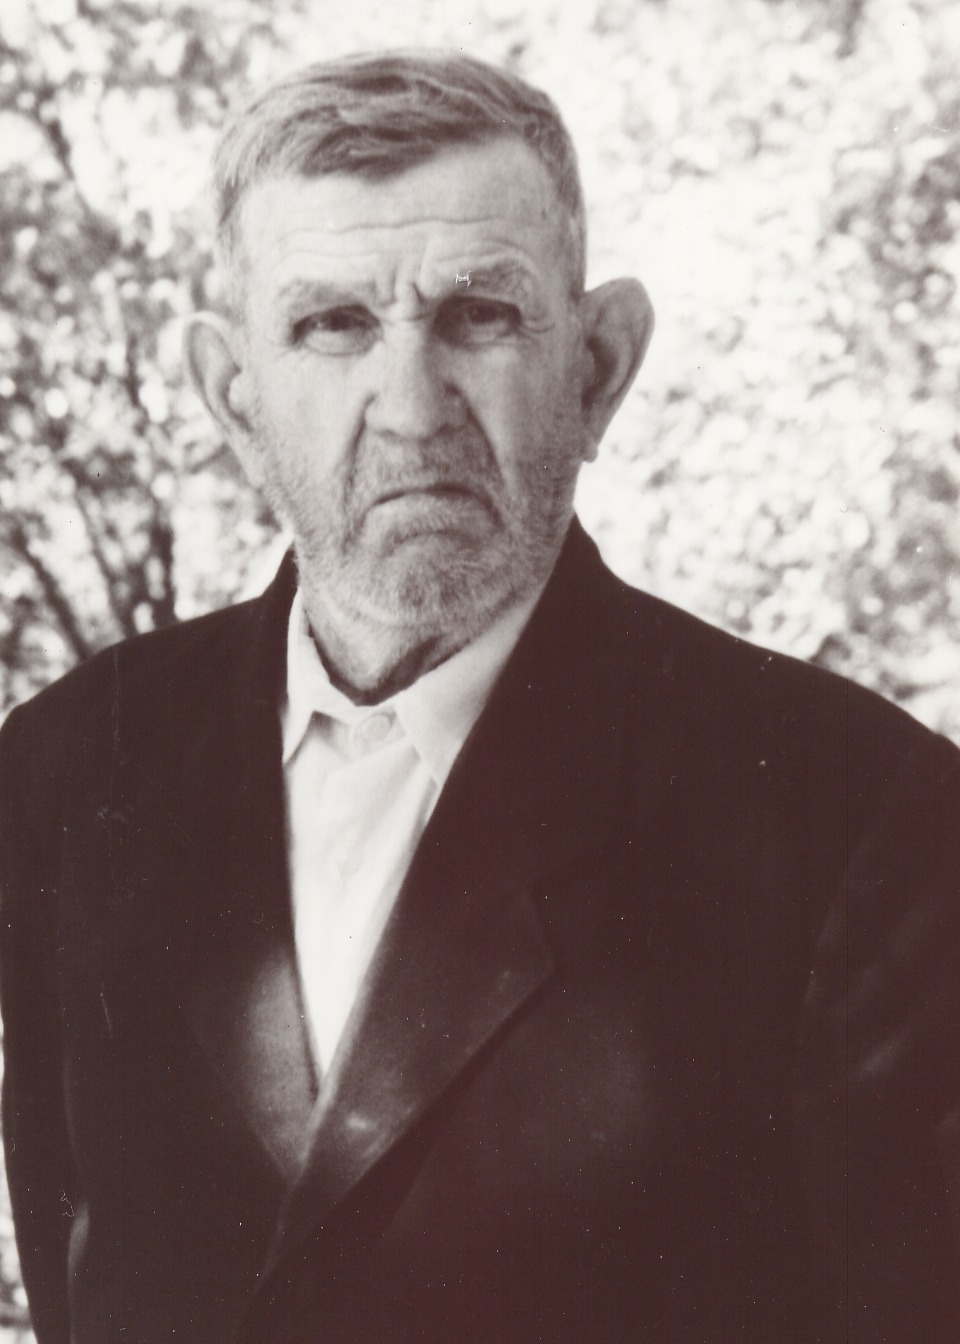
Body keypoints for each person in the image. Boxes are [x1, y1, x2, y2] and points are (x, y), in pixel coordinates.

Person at [1, 50, 958, 1344]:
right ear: (233, 398)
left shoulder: (860, 814)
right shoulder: (68, 770)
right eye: (333, 325)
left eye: (479, 315)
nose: (409, 410)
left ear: (598, 367)